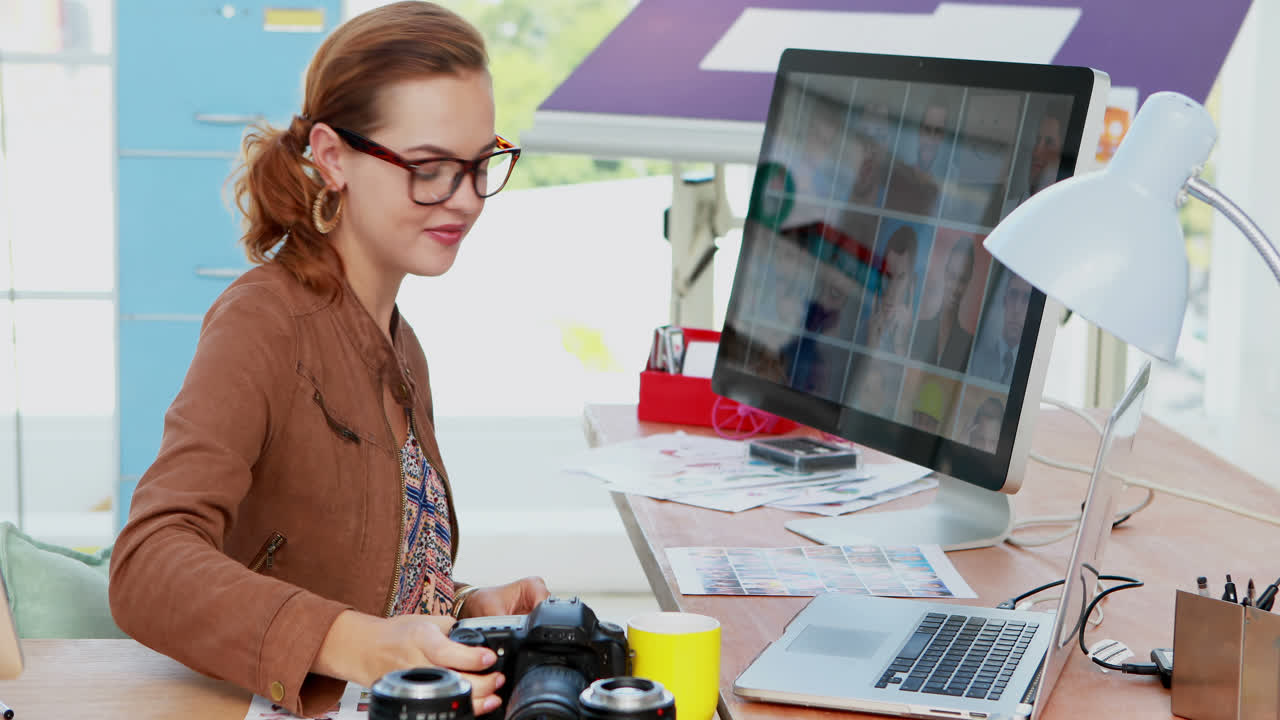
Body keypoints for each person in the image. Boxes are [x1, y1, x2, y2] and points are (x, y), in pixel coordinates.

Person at [108, 4, 548, 717]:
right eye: (430, 167)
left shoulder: (401, 345)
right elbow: (146, 564)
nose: (466, 199)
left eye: (479, 164)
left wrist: (464, 609)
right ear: (333, 156)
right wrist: (359, 646)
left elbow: (359, 572)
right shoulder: (264, 323)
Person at [909, 238, 976, 372]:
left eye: (962, 280)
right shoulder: (917, 330)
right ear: (945, 274)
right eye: (952, 276)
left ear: (969, 282)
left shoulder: (970, 345)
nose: (955, 287)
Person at [885, 95, 950, 215]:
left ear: (943, 137)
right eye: (927, 129)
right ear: (919, 131)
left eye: (938, 131)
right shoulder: (895, 173)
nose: (931, 137)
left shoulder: (948, 186)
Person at [862, 226, 919, 355]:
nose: (891, 291)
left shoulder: (918, 340)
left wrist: (900, 344)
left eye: (900, 278)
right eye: (888, 276)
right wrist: (871, 344)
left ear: (912, 284)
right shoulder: (862, 328)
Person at [971, 270, 1033, 384]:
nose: (1017, 309)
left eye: (1026, 299)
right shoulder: (975, 359)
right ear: (1005, 301)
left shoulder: (1031, 369)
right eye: (1013, 295)